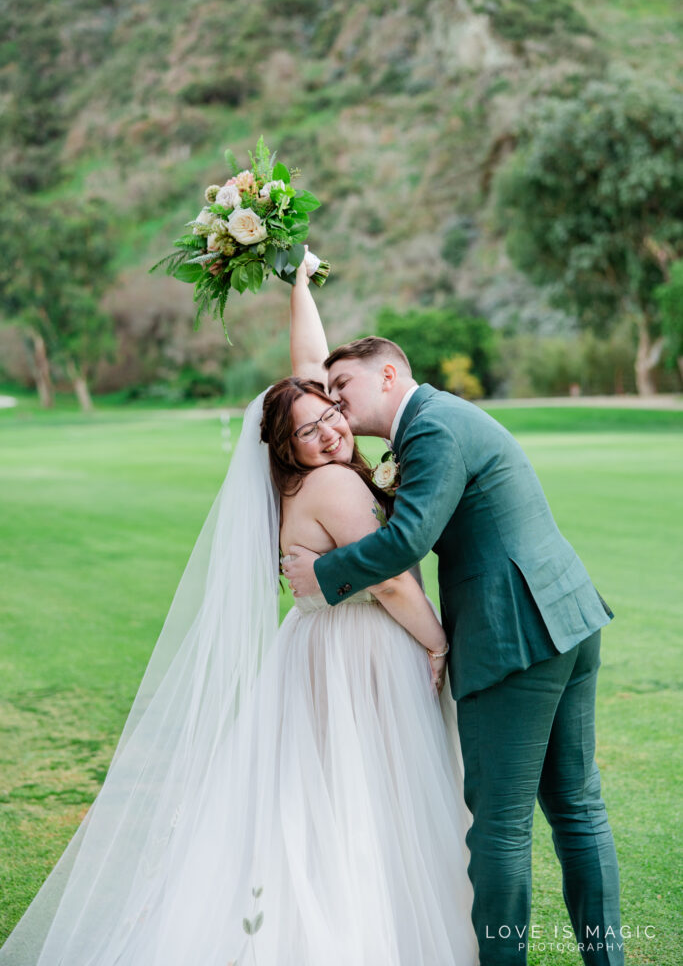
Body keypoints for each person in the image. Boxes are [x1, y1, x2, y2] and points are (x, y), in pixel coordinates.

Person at [0, 257, 478, 966]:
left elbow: (309, 363)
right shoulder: (336, 490)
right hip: (359, 649)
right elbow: (391, 586)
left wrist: (301, 288)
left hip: (316, 648)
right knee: (363, 795)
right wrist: (437, 644)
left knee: (318, 793)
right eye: (308, 432)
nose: (329, 433)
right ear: (284, 452)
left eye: (329, 417)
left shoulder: (302, 482)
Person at [283, 332, 624, 965]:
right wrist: (299, 284)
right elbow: (305, 380)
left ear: (388, 376)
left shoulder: (433, 429)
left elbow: (407, 539)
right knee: (577, 808)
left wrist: (323, 576)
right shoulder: (433, 421)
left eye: (343, 389)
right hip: (566, 615)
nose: (336, 404)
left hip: (515, 633)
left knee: (499, 825)